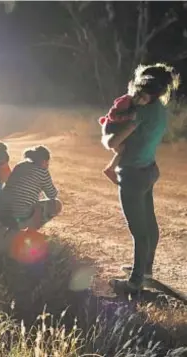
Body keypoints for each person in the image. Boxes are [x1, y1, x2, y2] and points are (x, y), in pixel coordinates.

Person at [101, 63, 180, 294]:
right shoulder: (159, 109)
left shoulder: (138, 113)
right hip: (148, 169)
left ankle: (135, 283)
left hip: (132, 174)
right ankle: (145, 270)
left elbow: (112, 143)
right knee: (150, 223)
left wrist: (109, 132)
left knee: (139, 230)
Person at [0, 145, 62, 231]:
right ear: (44, 161)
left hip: (3, 214)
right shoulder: (43, 172)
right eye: (47, 162)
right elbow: (52, 195)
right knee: (57, 205)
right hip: (20, 217)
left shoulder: (20, 166)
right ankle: (30, 233)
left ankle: (12, 230)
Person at [98, 90, 151, 184]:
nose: (144, 102)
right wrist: (127, 117)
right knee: (120, 149)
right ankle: (110, 169)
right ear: (137, 96)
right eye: (143, 99)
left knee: (122, 149)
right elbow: (112, 115)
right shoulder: (125, 101)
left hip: (117, 126)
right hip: (111, 126)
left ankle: (110, 169)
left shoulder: (137, 105)